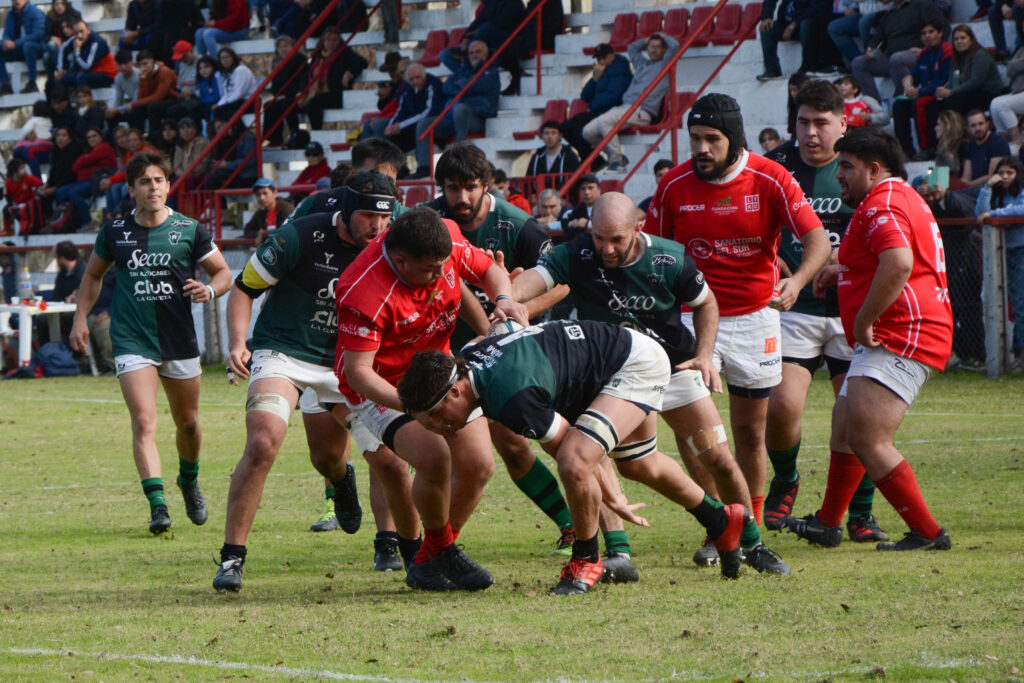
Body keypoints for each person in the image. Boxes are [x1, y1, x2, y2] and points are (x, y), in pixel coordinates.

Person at [512, 191, 790, 575]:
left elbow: (706, 303)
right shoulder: (577, 253)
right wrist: (508, 297)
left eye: (617, 239)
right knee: (620, 462)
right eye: (599, 238)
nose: (606, 249)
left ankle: (753, 543)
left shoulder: (669, 258)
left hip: (674, 367)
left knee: (718, 457)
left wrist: (704, 355)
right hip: (616, 378)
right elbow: (534, 280)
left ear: (638, 228)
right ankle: (624, 549)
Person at [398, 320, 750, 594]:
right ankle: (721, 520)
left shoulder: (512, 396)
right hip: (612, 358)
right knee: (641, 464)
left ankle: (586, 559)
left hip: (633, 364)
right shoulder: (469, 361)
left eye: (437, 415)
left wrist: (613, 497)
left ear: (455, 390)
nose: (437, 426)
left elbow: (576, 454)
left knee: (573, 460)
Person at [645, 93, 830, 567]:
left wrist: (797, 281)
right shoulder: (673, 185)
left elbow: (816, 240)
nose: (701, 148)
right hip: (691, 319)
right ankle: (718, 526)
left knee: (749, 433)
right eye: (695, 139)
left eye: (712, 139)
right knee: (696, 433)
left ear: (735, 139)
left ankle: (751, 526)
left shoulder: (771, 178)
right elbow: (653, 255)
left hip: (755, 319)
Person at [212, 172, 405, 592]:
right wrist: (237, 343)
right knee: (263, 441)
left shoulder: (393, 245)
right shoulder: (298, 236)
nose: (377, 226)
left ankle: (391, 541)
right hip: (284, 352)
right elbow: (244, 289)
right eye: (367, 215)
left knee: (380, 457)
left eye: (384, 217)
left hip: (350, 361)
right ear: (346, 210)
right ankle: (232, 558)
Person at [333, 206, 529, 591]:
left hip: (437, 370)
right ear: (400, 261)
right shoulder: (363, 291)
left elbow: (488, 270)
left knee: (478, 465)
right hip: (382, 385)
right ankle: (442, 551)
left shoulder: (444, 237)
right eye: (430, 270)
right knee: (434, 458)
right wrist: (414, 408)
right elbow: (359, 372)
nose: (441, 275)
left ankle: (426, 560)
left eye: (443, 266)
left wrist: (504, 298)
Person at [786, 127, 953, 551]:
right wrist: (841, 269)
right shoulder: (897, 196)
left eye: (846, 167)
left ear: (874, 169)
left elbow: (898, 263)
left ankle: (927, 532)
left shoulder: (883, 201)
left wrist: (864, 322)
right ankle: (827, 523)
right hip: (902, 329)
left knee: (868, 438)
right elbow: (882, 257)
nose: (839, 175)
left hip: (900, 332)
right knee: (845, 426)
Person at [420, 143, 587, 559]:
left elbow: (563, 282)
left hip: (504, 354)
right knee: (439, 450)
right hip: (444, 352)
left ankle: (572, 525)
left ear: (487, 185)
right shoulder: (430, 221)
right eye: (452, 188)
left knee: (513, 443)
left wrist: (513, 310)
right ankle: (424, 543)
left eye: (470, 187)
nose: (461, 197)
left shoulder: (518, 226)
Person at [70, 151, 232, 534]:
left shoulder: (190, 229)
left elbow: (224, 273)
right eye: (145, 182)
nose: (153, 187)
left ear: (168, 185)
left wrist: (210, 290)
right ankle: (158, 505)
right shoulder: (115, 232)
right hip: (132, 338)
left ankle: (188, 480)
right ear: (132, 190)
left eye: (159, 180)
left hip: (178, 338)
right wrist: (80, 318)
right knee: (144, 420)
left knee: (188, 424)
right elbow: (93, 276)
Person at [762, 79, 888, 542]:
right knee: (781, 407)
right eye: (803, 122)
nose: (811, 133)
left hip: (855, 310)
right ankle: (786, 479)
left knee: (860, 416)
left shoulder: (864, 167)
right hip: (795, 307)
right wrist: (772, 260)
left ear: (843, 123)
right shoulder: (776, 167)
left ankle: (861, 513)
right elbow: (757, 226)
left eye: (821, 123)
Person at [582, 33, 680, 173]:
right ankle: (619, 158)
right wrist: (646, 40)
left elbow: (675, 46)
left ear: (664, 50)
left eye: (658, 47)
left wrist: (663, 36)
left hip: (642, 111)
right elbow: (632, 48)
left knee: (604, 122)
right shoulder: (641, 64)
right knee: (587, 132)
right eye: (651, 46)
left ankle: (617, 161)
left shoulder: (665, 65)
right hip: (625, 108)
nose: (653, 50)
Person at [411, 40, 500, 178]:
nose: (474, 55)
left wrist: (462, 86)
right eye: (471, 52)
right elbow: (446, 87)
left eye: (478, 52)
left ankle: (460, 155)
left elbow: (478, 86)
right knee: (424, 124)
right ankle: (424, 167)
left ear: (487, 54)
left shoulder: (492, 72)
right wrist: (466, 87)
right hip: (453, 118)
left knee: (460, 108)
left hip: (477, 118)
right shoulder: (463, 70)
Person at [976, 157, 1024, 367]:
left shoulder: (1021, 192)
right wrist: (987, 186)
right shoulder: (996, 193)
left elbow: (1021, 209)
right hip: (1000, 252)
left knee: (1021, 304)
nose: (1004, 177)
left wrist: (994, 214)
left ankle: (1020, 354)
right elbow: (980, 213)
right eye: (1001, 173)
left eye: (1009, 173)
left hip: (1020, 251)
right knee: (1006, 304)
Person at [850, 0, 944, 101]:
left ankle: (904, 100)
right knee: (858, 63)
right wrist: (871, 48)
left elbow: (943, 28)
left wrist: (928, 50)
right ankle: (872, 104)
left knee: (897, 59)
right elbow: (877, 38)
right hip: (890, 58)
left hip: (915, 56)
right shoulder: (889, 14)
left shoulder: (922, 6)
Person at [562, 43, 631, 169]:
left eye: (603, 58)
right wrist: (595, 79)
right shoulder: (601, 71)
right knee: (566, 127)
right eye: (598, 58)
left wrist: (594, 103)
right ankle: (595, 161)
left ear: (611, 56)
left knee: (576, 126)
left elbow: (615, 97)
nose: (601, 61)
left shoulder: (621, 70)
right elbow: (584, 96)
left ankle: (592, 161)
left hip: (609, 111)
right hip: (596, 110)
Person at [924, 25, 1004, 130]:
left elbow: (975, 82)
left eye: (963, 38)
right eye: (956, 39)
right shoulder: (956, 58)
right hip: (967, 93)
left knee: (953, 102)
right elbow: (953, 80)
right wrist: (944, 91)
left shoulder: (980, 55)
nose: (959, 42)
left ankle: (957, 136)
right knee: (932, 105)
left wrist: (951, 92)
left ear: (971, 39)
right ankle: (937, 138)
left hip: (988, 93)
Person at [891, 20, 952, 158]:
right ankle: (906, 150)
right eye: (924, 33)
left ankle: (927, 148)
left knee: (920, 103)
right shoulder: (923, 53)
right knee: (898, 105)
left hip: (941, 95)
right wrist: (909, 80)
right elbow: (916, 76)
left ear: (940, 33)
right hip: (925, 93)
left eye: (931, 32)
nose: (927, 36)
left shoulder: (947, 51)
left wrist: (919, 91)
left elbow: (944, 81)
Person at [299, 28, 367, 130]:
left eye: (334, 40)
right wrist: (301, 94)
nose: (331, 43)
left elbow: (362, 62)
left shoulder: (344, 52)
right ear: (323, 41)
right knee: (287, 105)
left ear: (339, 41)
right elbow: (306, 76)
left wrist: (349, 73)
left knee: (313, 104)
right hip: (314, 92)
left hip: (335, 94)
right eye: (328, 40)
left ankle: (317, 133)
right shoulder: (317, 55)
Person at [56, 127, 116, 230]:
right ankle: (67, 221)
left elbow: (87, 160)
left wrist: (85, 159)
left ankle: (87, 221)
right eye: (89, 137)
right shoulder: (88, 151)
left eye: (94, 136)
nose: (92, 139)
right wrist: (85, 159)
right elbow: (75, 167)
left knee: (73, 193)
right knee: (60, 192)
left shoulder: (104, 147)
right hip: (83, 181)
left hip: (97, 181)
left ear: (101, 137)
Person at [384, 62, 444, 153]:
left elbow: (429, 112)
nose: (415, 82)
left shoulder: (432, 84)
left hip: (431, 124)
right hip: (411, 125)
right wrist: (390, 126)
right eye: (411, 79)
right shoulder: (408, 87)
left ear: (424, 76)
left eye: (417, 77)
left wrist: (401, 126)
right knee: (386, 134)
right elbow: (402, 110)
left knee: (419, 127)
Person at [260, 35, 308, 147]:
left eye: (286, 46)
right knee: (269, 105)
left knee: (287, 105)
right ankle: (274, 139)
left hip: (296, 94)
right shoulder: (277, 63)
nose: (283, 49)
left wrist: (296, 94)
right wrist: (276, 95)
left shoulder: (299, 59)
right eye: (280, 47)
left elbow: (303, 79)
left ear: (292, 46)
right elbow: (274, 85)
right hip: (283, 96)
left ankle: (295, 136)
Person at [989, 18, 1024, 143]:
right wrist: (1016, 65)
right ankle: (1004, 144)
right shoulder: (1021, 49)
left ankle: (1017, 142)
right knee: (994, 104)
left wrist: (1014, 64)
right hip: (1019, 91)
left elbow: (1012, 66)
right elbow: (1009, 70)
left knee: (1002, 105)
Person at [55, 20, 116, 89]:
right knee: (61, 78)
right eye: (76, 33)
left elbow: (87, 67)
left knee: (81, 78)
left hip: (107, 75)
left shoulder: (96, 42)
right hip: (91, 73)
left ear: (88, 30)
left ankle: (81, 95)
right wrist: (64, 69)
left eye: (81, 31)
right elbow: (65, 48)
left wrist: (77, 51)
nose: (79, 35)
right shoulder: (77, 39)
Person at [0, 0, 45, 94]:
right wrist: (5, 42)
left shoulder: (36, 12)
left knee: (28, 46)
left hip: (36, 48)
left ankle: (32, 83)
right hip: (18, 49)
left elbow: (38, 35)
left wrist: (16, 43)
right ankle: (6, 83)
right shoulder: (10, 15)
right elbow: (6, 34)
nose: (17, 1)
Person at [129, 51, 178, 135]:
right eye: (140, 65)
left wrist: (134, 104)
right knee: (135, 110)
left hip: (173, 98)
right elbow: (142, 97)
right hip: (159, 101)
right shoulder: (146, 74)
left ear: (152, 62)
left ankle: (154, 137)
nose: (143, 67)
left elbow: (158, 97)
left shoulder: (164, 71)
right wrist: (143, 80)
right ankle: (137, 137)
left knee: (152, 108)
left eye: (145, 64)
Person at [525, 120, 581, 193]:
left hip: (562, 197)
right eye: (546, 133)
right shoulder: (536, 157)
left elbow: (573, 181)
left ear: (560, 136)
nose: (550, 136)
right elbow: (528, 181)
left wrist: (555, 196)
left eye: (553, 133)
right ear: (541, 136)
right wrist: (532, 195)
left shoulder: (569, 156)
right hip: (539, 197)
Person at [962, 110, 1010, 189]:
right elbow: (966, 177)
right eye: (973, 126)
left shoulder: (998, 143)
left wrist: (968, 186)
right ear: (968, 128)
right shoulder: (970, 146)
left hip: (994, 189)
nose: (977, 128)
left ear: (987, 124)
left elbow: (992, 176)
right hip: (973, 189)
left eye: (980, 124)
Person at [211, 47, 258, 122]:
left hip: (249, 101)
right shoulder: (227, 73)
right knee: (216, 109)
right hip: (237, 102)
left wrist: (222, 104)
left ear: (233, 57)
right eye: (222, 58)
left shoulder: (241, 70)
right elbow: (227, 94)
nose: (225, 60)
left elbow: (239, 94)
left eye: (227, 57)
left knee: (221, 111)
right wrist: (219, 104)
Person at [243, 177, 293, 244]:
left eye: (265, 193)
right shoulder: (260, 212)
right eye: (258, 194)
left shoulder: (287, 209)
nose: (262, 197)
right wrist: (259, 233)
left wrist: (263, 233)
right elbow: (247, 231)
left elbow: (285, 232)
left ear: (275, 193)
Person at [2, 158, 43, 236]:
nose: (24, 170)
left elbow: (40, 184)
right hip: (16, 204)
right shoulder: (8, 183)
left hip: (28, 203)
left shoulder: (28, 178)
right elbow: (8, 195)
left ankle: (27, 229)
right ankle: (7, 230)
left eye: (24, 167)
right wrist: (10, 205)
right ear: (14, 173)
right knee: (5, 210)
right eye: (21, 168)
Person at [105, 51, 138, 129]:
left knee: (131, 112)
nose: (123, 67)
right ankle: (114, 135)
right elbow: (118, 100)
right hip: (131, 106)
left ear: (132, 63)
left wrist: (116, 110)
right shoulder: (118, 78)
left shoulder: (138, 75)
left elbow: (137, 101)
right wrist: (112, 110)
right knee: (110, 115)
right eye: (120, 64)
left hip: (141, 105)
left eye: (126, 64)